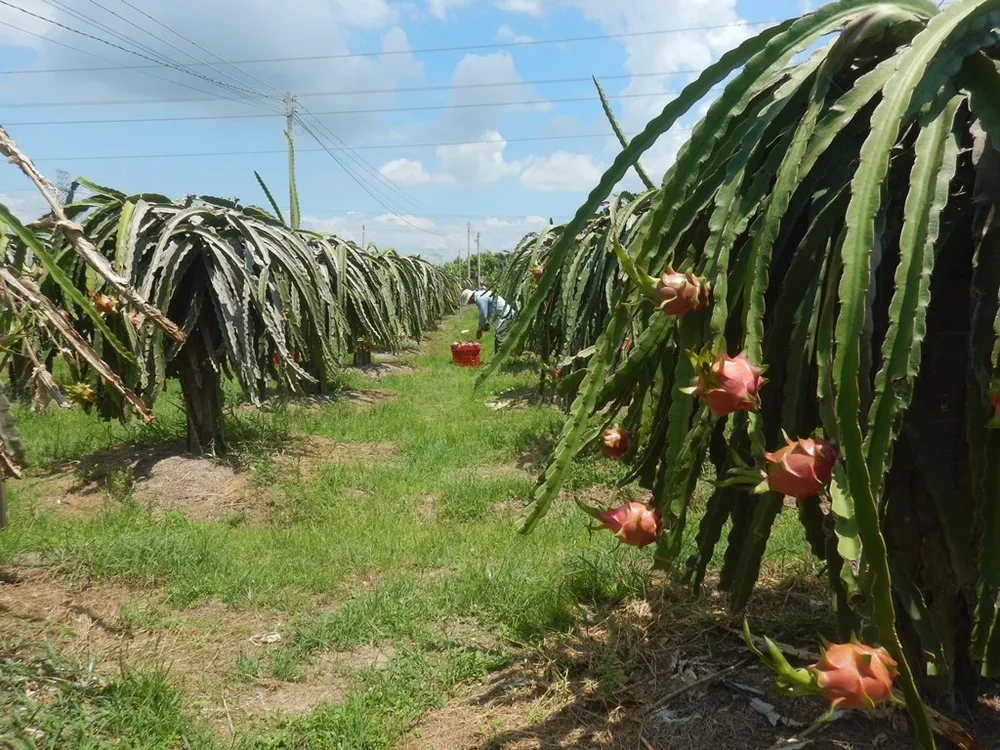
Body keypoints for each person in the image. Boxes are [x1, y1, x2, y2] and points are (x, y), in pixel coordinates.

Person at [461, 288, 515, 353]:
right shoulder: (481, 295)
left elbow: (483, 314)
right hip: (506, 316)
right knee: (501, 338)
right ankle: (499, 358)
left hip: (506, 316)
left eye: (468, 302)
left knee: (500, 339)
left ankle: (500, 360)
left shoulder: (480, 298)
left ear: (470, 298)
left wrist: (479, 329)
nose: (469, 303)